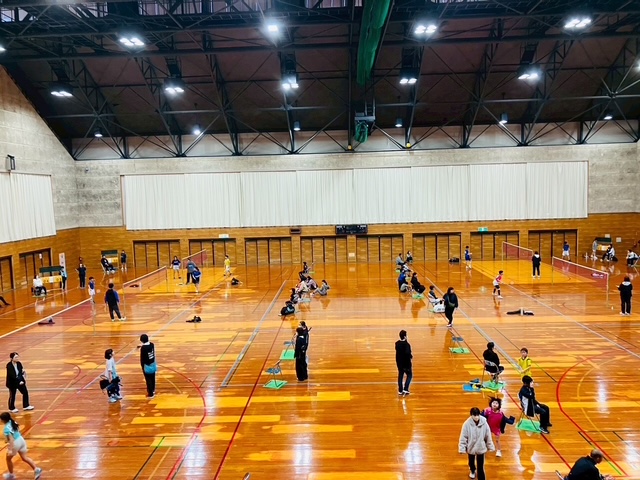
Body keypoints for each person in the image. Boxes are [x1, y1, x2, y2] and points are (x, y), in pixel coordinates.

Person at [0, 412, 42, 479]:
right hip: (21, 440)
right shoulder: (13, 422)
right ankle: (36, 469)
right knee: (24, 457)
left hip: (15, 443)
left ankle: (11, 475)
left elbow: (11, 439)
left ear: (2, 420)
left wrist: (10, 449)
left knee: (8, 459)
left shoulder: (6, 429)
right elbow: (15, 431)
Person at [458, 407, 494, 480]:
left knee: (480, 466)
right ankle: (472, 470)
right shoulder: (466, 424)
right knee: (471, 462)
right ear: (471, 415)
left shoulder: (484, 423)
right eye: (474, 415)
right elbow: (463, 437)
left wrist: (490, 446)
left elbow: (488, 435)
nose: (476, 417)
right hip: (471, 447)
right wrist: (462, 448)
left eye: (478, 415)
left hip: (481, 447)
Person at [395, 330, 412, 396]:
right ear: (405, 336)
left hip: (399, 363)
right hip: (406, 363)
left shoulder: (397, 344)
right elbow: (408, 354)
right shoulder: (407, 345)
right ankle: (406, 388)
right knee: (409, 375)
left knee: (400, 375)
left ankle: (400, 390)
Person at [140, 334, 156, 399]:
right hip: (153, 364)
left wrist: (142, 365)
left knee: (148, 379)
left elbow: (142, 358)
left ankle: (150, 393)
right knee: (153, 378)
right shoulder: (152, 345)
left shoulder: (143, 348)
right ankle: (153, 390)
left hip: (147, 365)